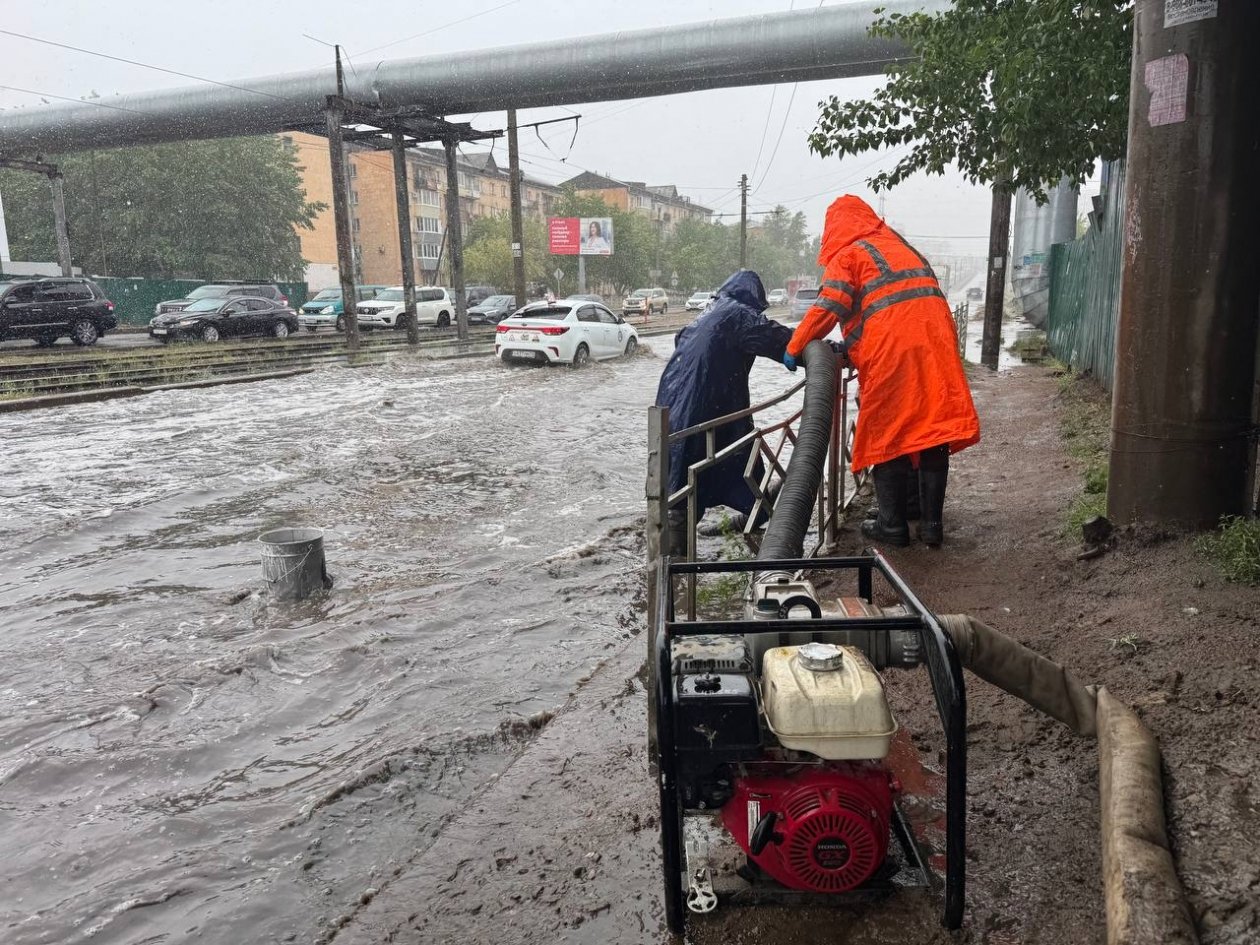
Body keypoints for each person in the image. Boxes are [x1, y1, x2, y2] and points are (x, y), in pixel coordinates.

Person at [783, 195, 980, 547]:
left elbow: (830, 305)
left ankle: (893, 525)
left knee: (889, 430)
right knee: (933, 428)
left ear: (834, 228)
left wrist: (795, 346)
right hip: (937, 346)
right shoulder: (903, 249)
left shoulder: (850, 254)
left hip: (892, 353)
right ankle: (931, 525)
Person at [655, 270, 792, 552]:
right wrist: (826, 350)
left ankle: (670, 577)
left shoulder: (705, 314)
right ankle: (674, 578)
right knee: (721, 482)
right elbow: (778, 339)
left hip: (671, 413)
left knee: (681, 487)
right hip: (707, 411)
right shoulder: (738, 315)